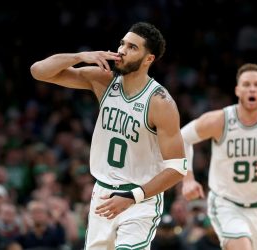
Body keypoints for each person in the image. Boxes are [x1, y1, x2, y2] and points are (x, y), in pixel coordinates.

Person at [30, 21, 187, 249]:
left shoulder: (160, 102)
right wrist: (81, 56)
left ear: (148, 59)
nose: (122, 50)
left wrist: (133, 197)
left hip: (140, 198)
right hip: (102, 193)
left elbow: (178, 168)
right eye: (122, 43)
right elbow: (38, 71)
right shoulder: (103, 80)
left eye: (132, 47)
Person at [181, 63, 257, 250]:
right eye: (246, 84)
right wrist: (188, 180)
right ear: (237, 90)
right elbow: (182, 138)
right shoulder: (219, 120)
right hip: (225, 203)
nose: (252, 88)